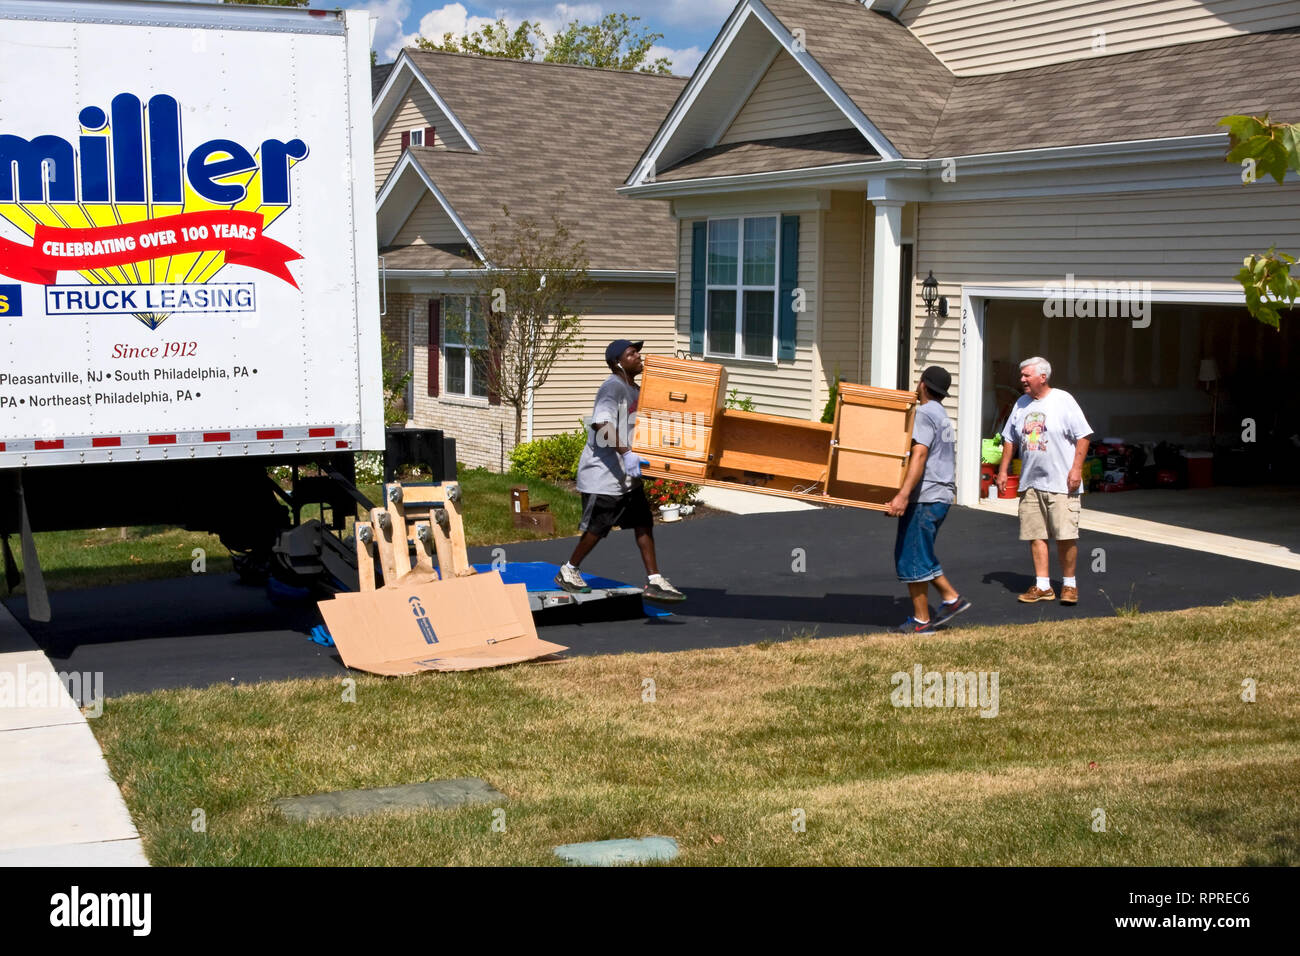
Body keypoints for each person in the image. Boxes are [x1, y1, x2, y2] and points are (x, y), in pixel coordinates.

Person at [554, 339, 686, 603]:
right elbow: (600, 422)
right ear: (617, 362)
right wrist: (626, 453)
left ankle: (654, 580)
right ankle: (568, 570)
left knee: (643, 522)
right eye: (632, 353)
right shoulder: (612, 387)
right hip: (603, 474)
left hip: (628, 475)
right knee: (598, 527)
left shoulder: (635, 389)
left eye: (638, 351)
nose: (639, 356)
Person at [996, 356, 1093, 605]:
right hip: (1030, 482)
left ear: (1043, 377)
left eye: (1026, 375)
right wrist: (1003, 471)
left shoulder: (1063, 401)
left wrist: (1076, 470)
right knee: (1035, 533)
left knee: (1065, 534)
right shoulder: (1021, 404)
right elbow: (1010, 440)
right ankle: (1042, 586)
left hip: (1062, 483)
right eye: (1021, 375)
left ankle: (1069, 585)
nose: (1022, 380)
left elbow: (1083, 436)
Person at [886, 366, 971, 633]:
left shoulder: (923, 414)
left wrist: (902, 495)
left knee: (913, 556)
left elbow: (919, 455)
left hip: (926, 495)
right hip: (940, 494)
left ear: (922, 385)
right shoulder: (942, 414)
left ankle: (928, 618)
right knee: (918, 553)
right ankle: (947, 601)